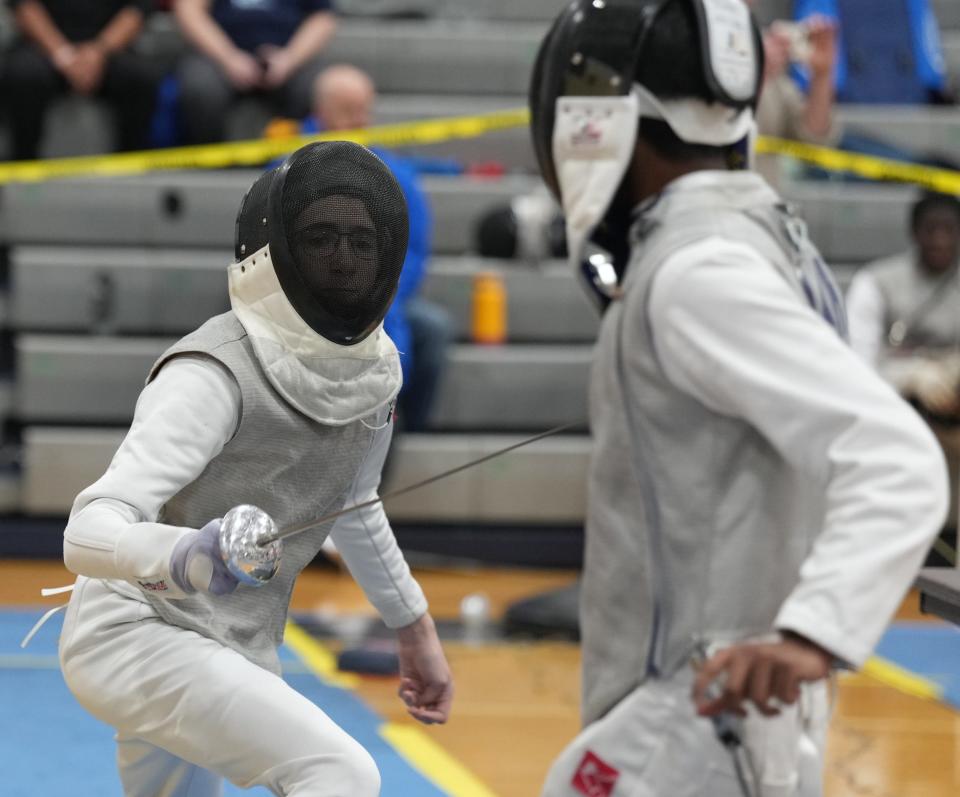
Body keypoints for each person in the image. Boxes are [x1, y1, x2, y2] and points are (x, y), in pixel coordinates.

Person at [527, 1, 948, 795]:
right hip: (726, 718)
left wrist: (810, 634)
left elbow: (896, 459)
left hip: (693, 712)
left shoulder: (698, 269)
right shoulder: (755, 233)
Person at [55, 140, 453, 796]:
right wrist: (188, 554)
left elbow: (355, 503)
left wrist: (414, 626)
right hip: (136, 634)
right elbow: (88, 531)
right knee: (339, 772)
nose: (345, 259)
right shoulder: (212, 373)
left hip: (229, 642)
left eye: (361, 240)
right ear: (274, 251)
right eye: (321, 237)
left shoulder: (375, 370)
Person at [311, 64, 452, 432]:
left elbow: (415, 250)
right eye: (347, 111)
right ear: (321, 112)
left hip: (383, 300)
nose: (359, 120)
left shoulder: (395, 172)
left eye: (364, 110)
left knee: (431, 330)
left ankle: (405, 423)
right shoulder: (289, 165)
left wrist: (379, 295)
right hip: (311, 299)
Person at [846, 190, 960, 561]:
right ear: (914, 233)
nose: (940, 240)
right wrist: (909, 377)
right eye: (931, 229)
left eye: (949, 230)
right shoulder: (877, 281)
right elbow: (855, 365)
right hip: (898, 412)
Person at [0, 0, 157, 160]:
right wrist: (62, 54)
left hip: (109, 47)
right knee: (24, 75)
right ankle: (23, 162)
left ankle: (129, 163)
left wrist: (98, 52)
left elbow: (138, 8)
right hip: (42, 45)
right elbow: (23, 5)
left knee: (140, 77)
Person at [173, 0, 337, 144]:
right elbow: (189, 10)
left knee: (322, 85)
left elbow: (322, 16)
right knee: (201, 85)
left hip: (290, 57)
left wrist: (289, 59)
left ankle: (302, 162)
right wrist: (228, 57)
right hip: (218, 57)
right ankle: (209, 161)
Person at [745, 0, 841, 186]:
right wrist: (753, 77)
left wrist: (822, 75)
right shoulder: (685, 36)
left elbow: (813, 141)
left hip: (762, 205)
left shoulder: (766, 45)